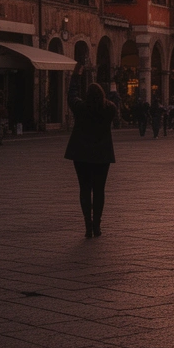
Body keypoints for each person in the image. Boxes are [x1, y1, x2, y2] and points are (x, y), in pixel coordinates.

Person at [65, 82, 116, 238]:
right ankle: (97, 225)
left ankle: (88, 225)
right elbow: (115, 99)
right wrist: (113, 86)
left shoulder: (81, 108)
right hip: (102, 155)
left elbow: (71, 96)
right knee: (99, 190)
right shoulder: (109, 109)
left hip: (81, 154)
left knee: (85, 189)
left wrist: (75, 77)